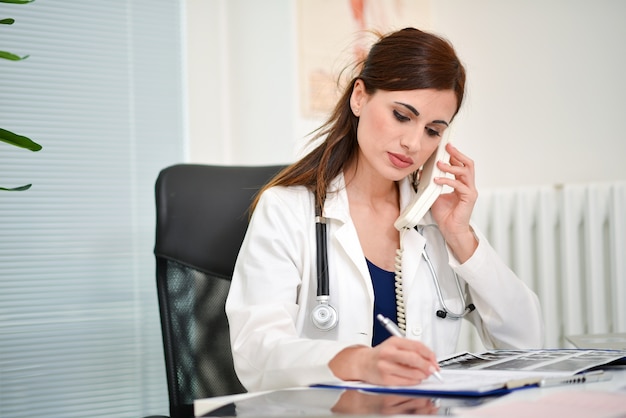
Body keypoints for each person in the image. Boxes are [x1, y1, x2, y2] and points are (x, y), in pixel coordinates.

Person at [225, 27, 544, 392]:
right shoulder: (286, 210)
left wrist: (460, 235)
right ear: (359, 97)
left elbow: (527, 342)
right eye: (402, 115)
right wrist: (358, 361)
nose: (412, 143)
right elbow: (255, 353)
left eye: (433, 131)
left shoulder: (434, 219)